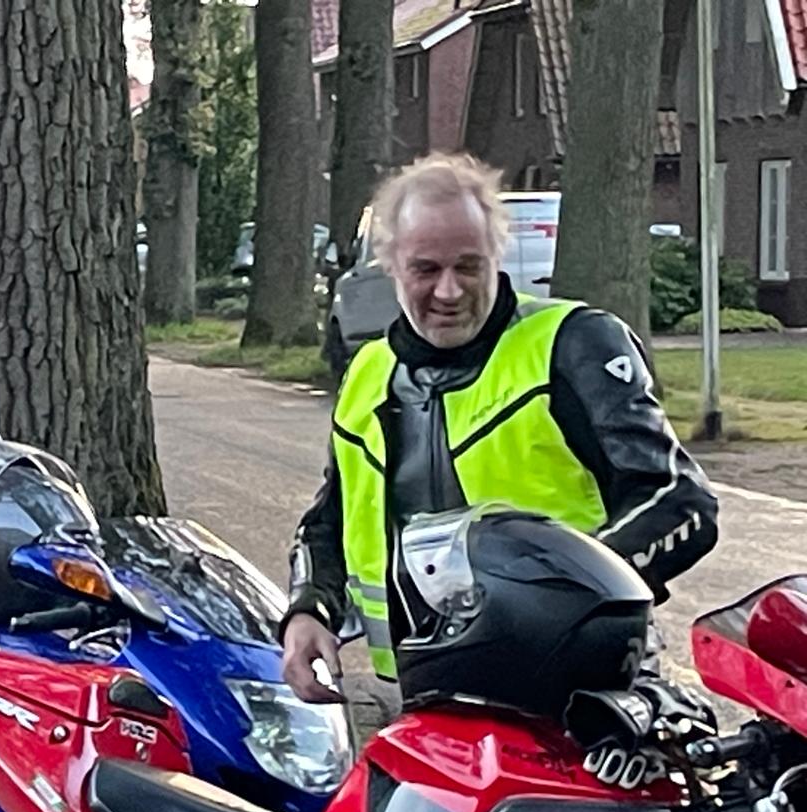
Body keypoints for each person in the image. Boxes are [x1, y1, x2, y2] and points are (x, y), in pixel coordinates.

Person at [282, 153, 718, 704]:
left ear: (497, 255)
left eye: (469, 267)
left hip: (581, 687)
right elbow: (332, 519)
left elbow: (680, 502)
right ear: (390, 265)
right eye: (426, 270)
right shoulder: (369, 371)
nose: (448, 291)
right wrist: (308, 609)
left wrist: (573, 601)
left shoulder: (571, 344)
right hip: (424, 695)